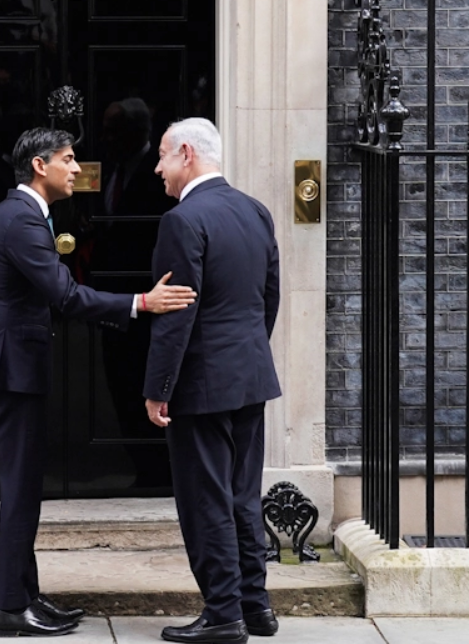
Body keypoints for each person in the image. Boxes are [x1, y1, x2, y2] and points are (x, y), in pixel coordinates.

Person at [0, 126, 198, 638]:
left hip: (16, 367)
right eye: (68, 160)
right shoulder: (21, 221)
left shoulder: (24, 216)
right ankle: (10, 609)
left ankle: (26, 596)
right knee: (20, 491)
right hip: (11, 369)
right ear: (39, 166)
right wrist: (141, 303)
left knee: (24, 488)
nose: (77, 169)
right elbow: (66, 296)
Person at [142, 117, 282, 644]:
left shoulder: (182, 220)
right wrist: (246, 355)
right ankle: (256, 606)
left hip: (202, 384)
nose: (157, 167)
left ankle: (223, 613)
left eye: (161, 155)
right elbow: (268, 299)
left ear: (186, 153)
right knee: (244, 498)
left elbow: (175, 315)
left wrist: (158, 388)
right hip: (250, 375)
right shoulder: (255, 211)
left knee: (207, 501)